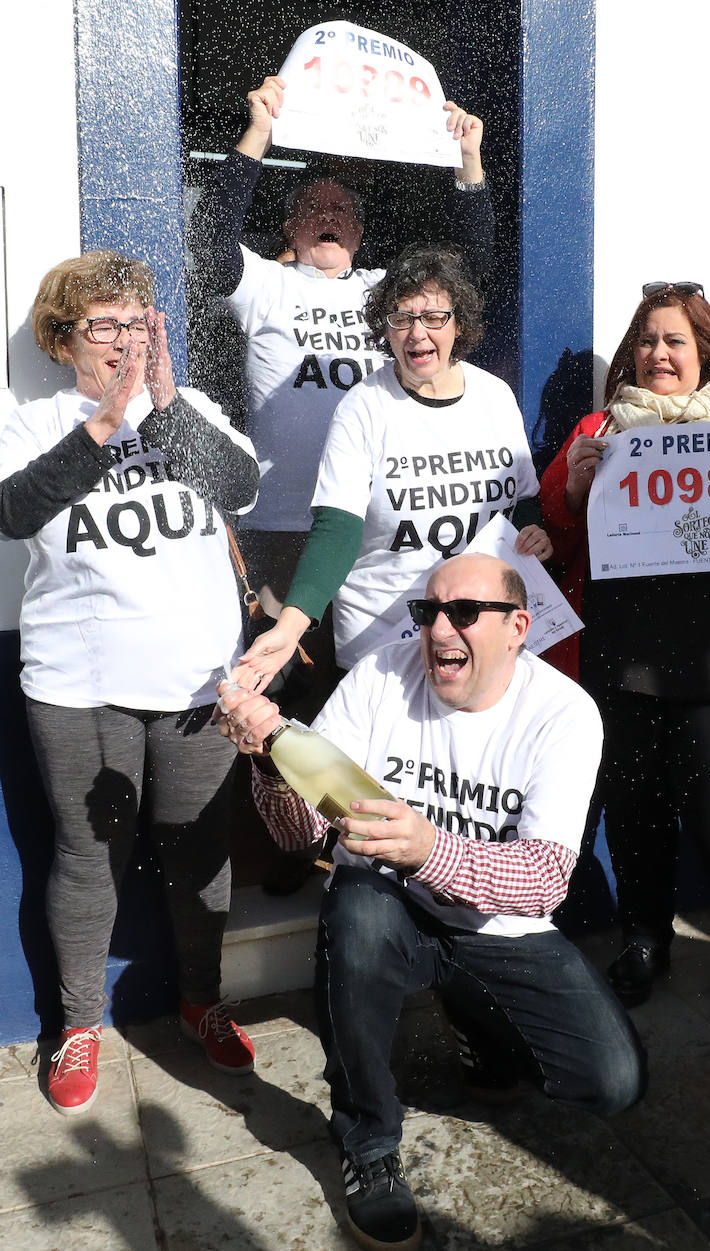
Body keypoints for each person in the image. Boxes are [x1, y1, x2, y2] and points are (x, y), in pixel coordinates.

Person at [218, 553, 644, 1251]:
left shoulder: (565, 712)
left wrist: (429, 848)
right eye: (429, 611)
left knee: (611, 1079)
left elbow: (544, 880)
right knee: (355, 906)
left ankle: (477, 1022)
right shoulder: (381, 675)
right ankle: (369, 1144)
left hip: (498, 929)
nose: (440, 628)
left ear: (518, 628)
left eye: (465, 612)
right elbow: (302, 832)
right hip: (387, 905)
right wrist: (270, 758)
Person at [0, 252, 261, 1114]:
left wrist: (167, 409)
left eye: (137, 323)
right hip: (81, 682)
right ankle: (78, 1024)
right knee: (88, 858)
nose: (122, 341)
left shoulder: (192, 409)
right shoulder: (32, 420)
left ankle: (200, 1000)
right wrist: (103, 428)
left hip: (197, 680)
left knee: (199, 852)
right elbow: (12, 511)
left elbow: (239, 486)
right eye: (103, 325)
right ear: (63, 336)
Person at [540, 282, 710, 1033]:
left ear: (705, 354)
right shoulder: (598, 430)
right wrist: (572, 485)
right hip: (626, 662)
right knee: (636, 817)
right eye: (648, 340)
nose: (659, 354)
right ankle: (644, 941)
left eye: (675, 342)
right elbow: (555, 536)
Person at [191, 74, 494, 628]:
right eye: (312, 208)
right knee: (285, 685)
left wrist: (467, 161)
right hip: (284, 523)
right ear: (289, 225)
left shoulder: (387, 293)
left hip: (378, 525)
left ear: (358, 230)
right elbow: (211, 240)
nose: (328, 217)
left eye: (341, 210)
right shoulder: (268, 286)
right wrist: (258, 134)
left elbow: (469, 274)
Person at [229, 243, 549, 696]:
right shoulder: (363, 408)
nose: (418, 333)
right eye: (402, 318)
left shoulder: (495, 396)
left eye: (434, 317)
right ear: (385, 328)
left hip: (478, 643)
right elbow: (336, 532)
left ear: (459, 324)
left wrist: (535, 531)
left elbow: (523, 500)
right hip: (386, 647)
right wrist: (290, 627)